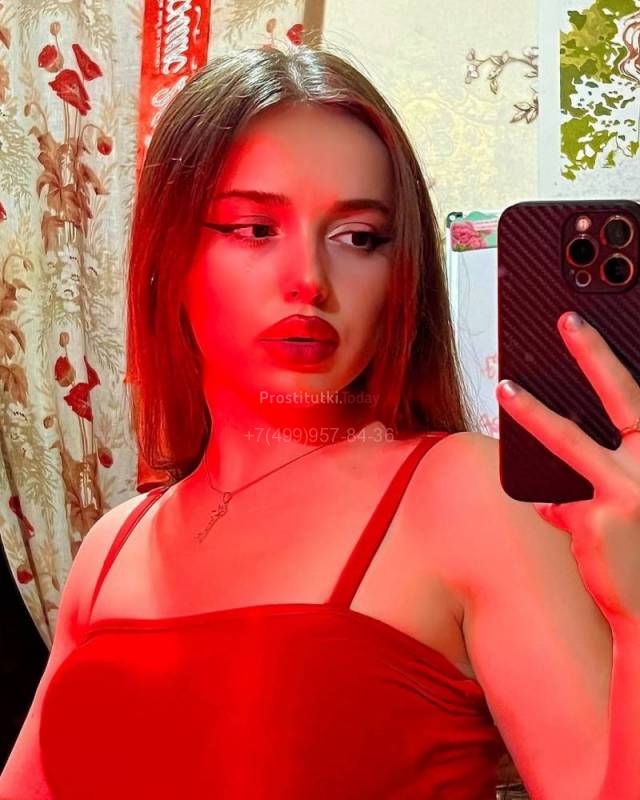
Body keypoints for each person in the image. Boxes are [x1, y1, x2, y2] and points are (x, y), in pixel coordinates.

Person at [0, 43, 638, 800]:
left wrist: (635, 617)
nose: (309, 279)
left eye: (359, 237)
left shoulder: (465, 494)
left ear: (402, 274)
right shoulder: (111, 547)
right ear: (170, 257)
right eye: (252, 228)